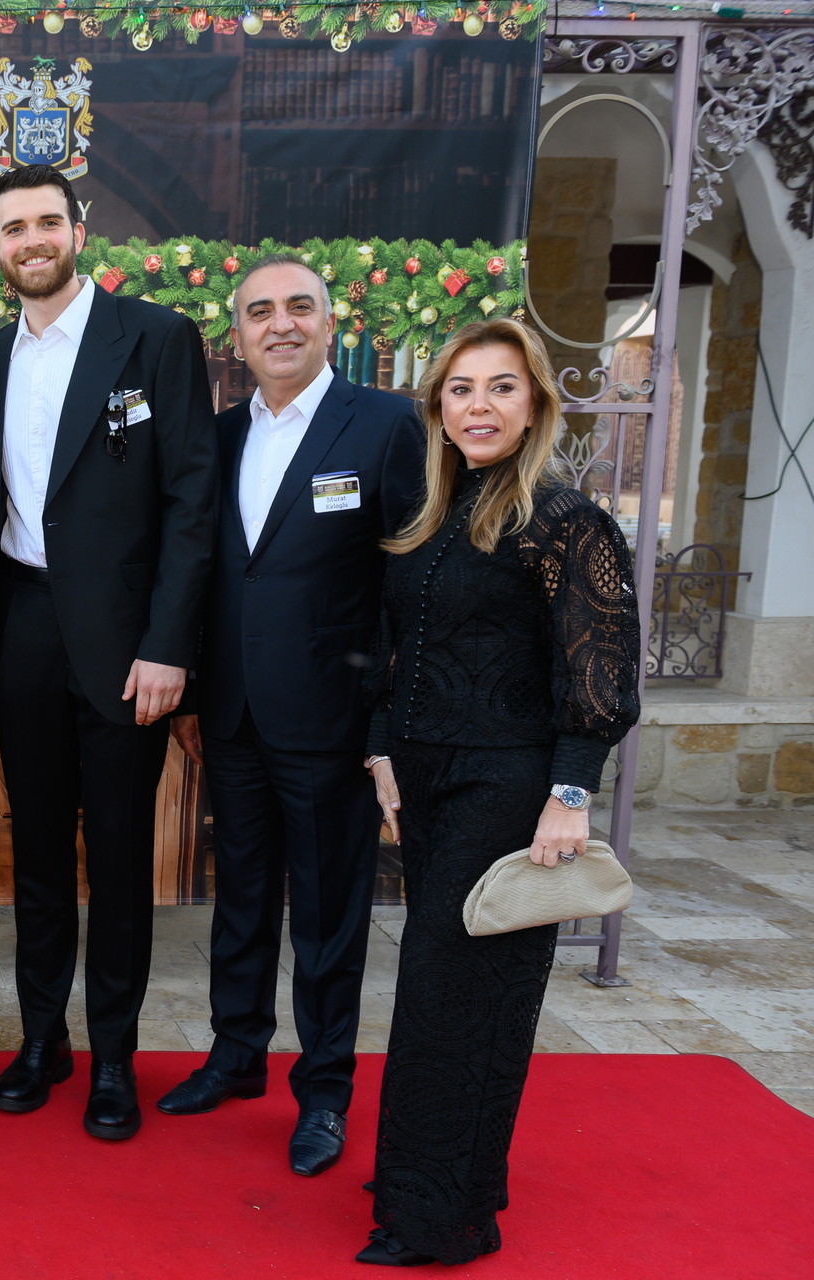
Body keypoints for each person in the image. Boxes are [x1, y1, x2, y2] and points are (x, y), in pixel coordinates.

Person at [358, 319, 640, 1266]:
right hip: (426, 778)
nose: (479, 406)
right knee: (436, 988)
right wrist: (381, 751)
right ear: (439, 407)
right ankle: (428, 1177)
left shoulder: (566, 521)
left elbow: (601, 672)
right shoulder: (430, 514)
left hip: (507, 784)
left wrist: (571, 795)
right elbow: (395, 652)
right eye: (461, 389)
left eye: (501, 387)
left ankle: (443, 1221)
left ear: (535, 405)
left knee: (463, 993)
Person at [0, 163, 217, 1141]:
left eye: (45, 222)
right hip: (22, 628)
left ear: (78, 230)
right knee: (33, 851)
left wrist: (168, 645)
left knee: (115, 855)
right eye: (12, 228)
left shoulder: (154, 337)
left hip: (126, 645)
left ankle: (113, 1054)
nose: (31, 240)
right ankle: (43, 1041)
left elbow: (190, 501)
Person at [158, 255, 425, 1177]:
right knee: (238, 900)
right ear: (237, 335)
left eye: (299, 307)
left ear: (329, 322)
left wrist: (385, 717)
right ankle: (236, 1055)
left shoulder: (385, 424)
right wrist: (196, 694)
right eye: (261, 311)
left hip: (331, 719)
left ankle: (324, 1091)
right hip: (231, 715)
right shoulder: (219, 433)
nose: (281, 324)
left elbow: (409, 581)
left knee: (326, 915)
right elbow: (202, 571)